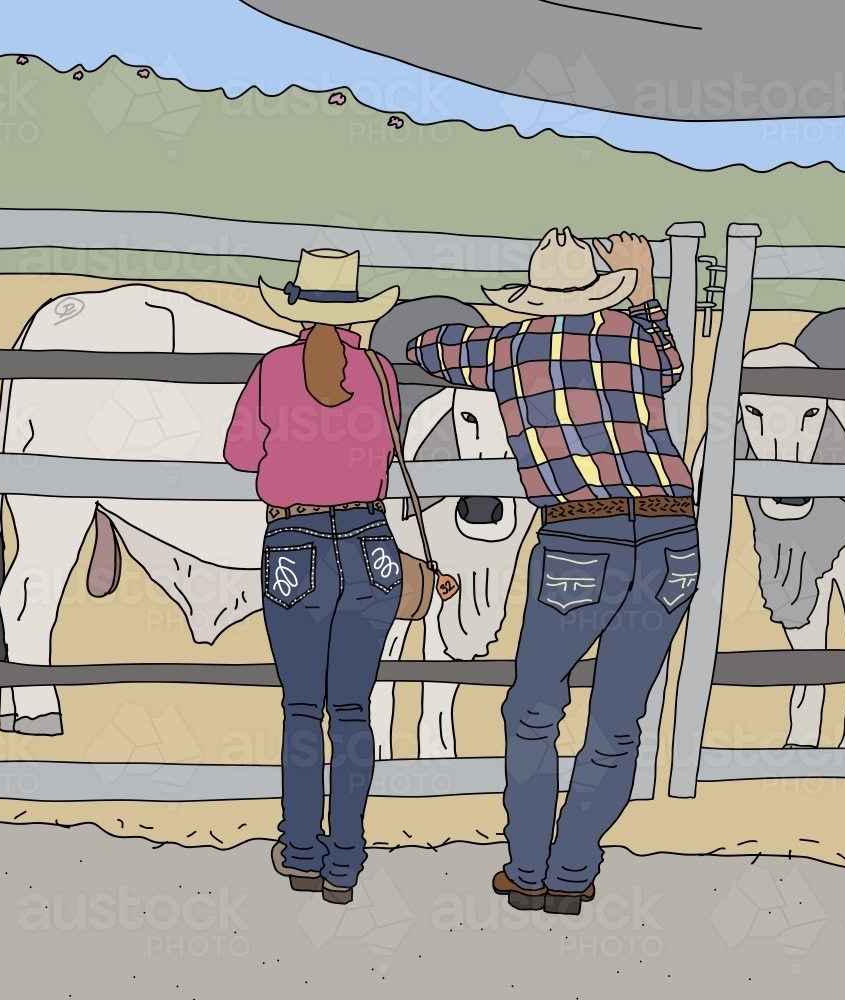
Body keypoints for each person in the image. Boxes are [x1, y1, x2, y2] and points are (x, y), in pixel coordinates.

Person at [407, 227, 699, 915]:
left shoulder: (508, 347)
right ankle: (572, 872)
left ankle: (528, 867)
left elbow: (426, 346)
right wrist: (643, 290)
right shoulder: (633, 338)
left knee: (535, 708)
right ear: (603, 295)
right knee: (619, 718)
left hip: (582, 532)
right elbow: (671, 365)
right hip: (673, 532)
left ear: (531, 299)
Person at [224, 248, 403, 905]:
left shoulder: (273, 369)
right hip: (370, 542)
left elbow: (239, 452)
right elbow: (390, 447)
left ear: (297, 309)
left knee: (302, 709)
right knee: (352, 711)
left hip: (295, 543)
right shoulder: (380, 371)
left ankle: (302, 850)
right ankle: (346, 860)